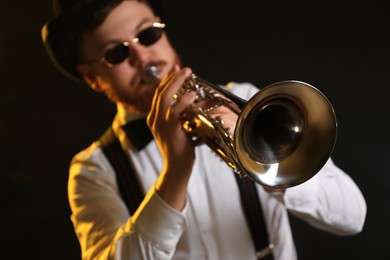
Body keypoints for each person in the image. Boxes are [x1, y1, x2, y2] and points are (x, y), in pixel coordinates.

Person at [41, 0, 367, 259]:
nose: (144, 59)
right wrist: (175, 173)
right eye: (117, 53)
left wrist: (263, 161)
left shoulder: (248, 101)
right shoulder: (92, 170)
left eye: (148, 34)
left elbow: (353, 217)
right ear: (92, 77)